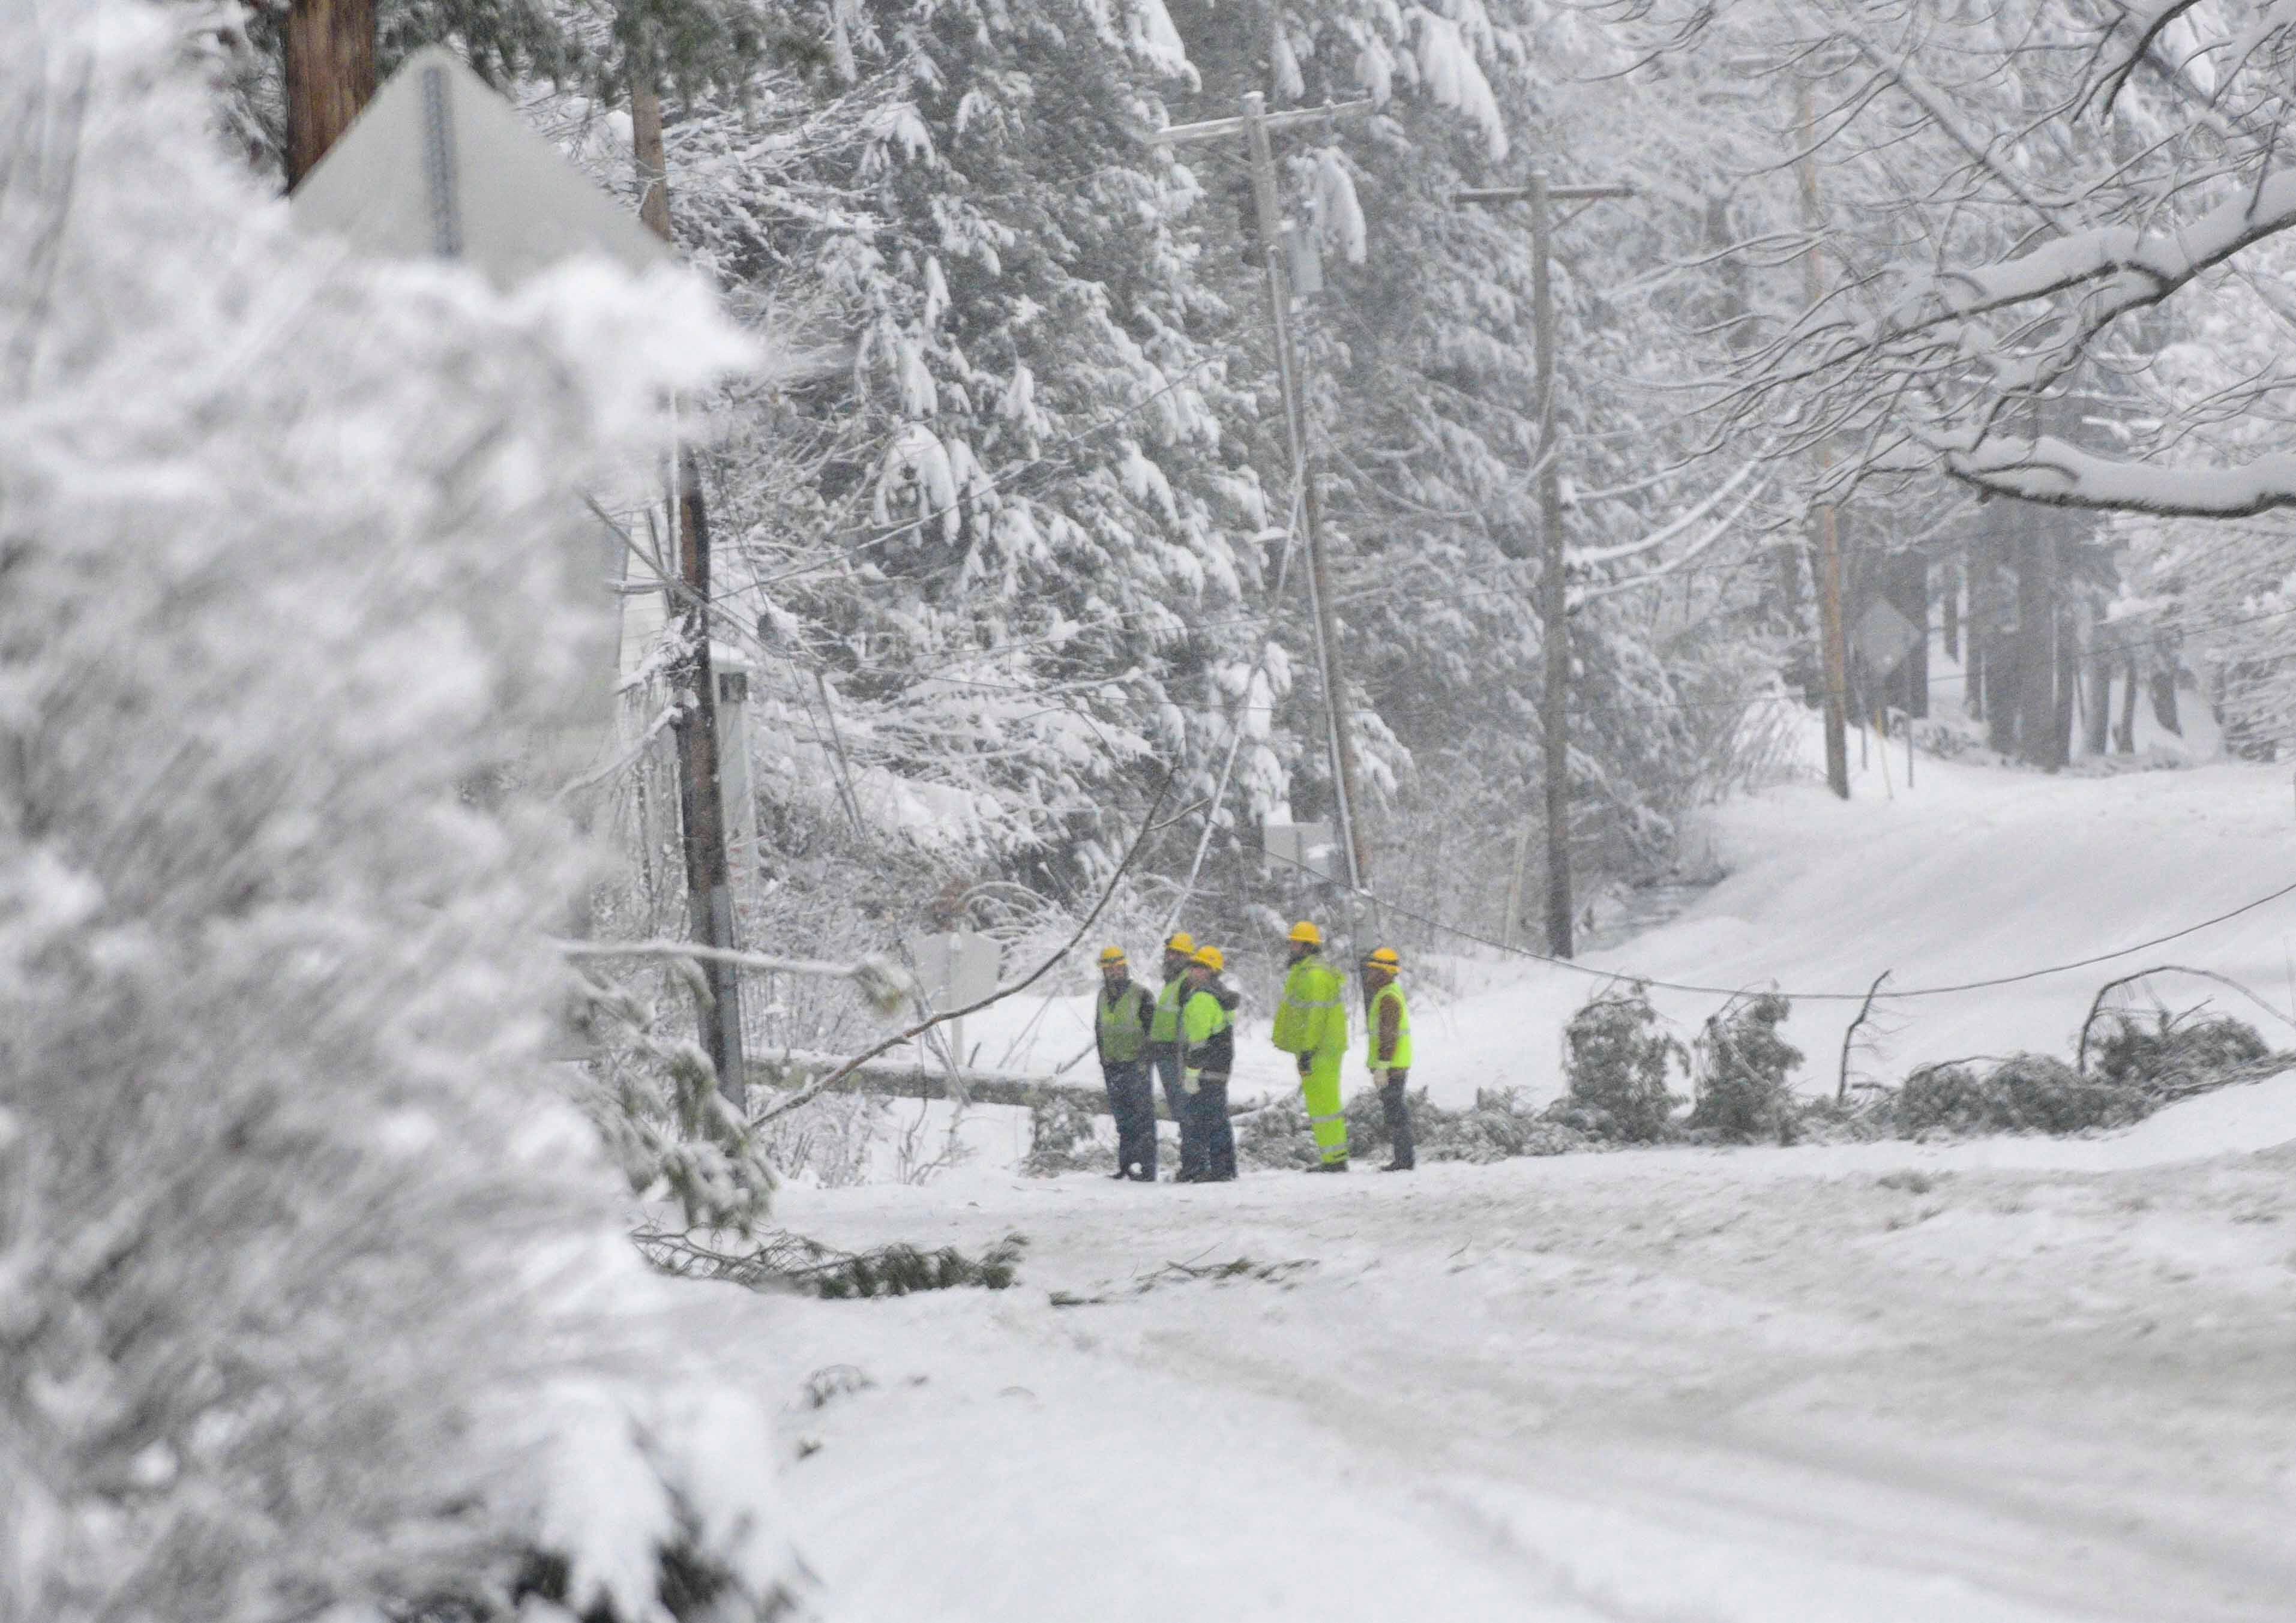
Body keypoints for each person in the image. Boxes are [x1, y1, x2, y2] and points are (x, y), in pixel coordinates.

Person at [1272, 920, 1350, 1171]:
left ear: (1306, 946)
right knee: (1322, 1103)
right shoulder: (1309, 972)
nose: (1291, 947)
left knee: (1324, 1103)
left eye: (1295, 943)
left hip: (1320, 1050)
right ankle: (1334, 1156)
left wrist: (1307, 1049)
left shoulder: (1314, 976)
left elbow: (1315, 1018)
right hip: (1321, 1048)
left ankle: (1335, 1159)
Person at [1093, 945, 1157, 1181]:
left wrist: (1144, 1061)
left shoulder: (1142, 994)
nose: (1114, 972)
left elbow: (1154, 1033)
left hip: (1135, 1065)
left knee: (1142, 1118)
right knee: (1123, 1119)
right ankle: (1126, 1165)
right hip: (1113, 1065)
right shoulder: (1102, 996)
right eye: (1109, 968)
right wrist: (1103, 1060)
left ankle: (1148, 1168)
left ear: (1125, 967)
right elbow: (1099, 1030)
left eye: (1118, 967)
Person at [1177, 945, 1238, 1183]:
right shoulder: (1220, 996)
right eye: (1193, 966)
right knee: (1217, 1119)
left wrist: (1191, 1074)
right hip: (1219, 1067)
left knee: (1200, 1121)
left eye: (1199, 967)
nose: (1192, 971)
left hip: (1205, 1069)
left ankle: (1205, 1169)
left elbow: (1198, 1043)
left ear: (1210, 971)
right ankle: (1223, 1167)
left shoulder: (1201, 998)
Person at [1360, 947, 1414, 1172]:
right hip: (1393, 1066)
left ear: (1384, 972)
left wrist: (1382, 1067)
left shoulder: (1388, 998)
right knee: (1395, 1112)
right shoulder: (1387, 994)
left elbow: (1388, 1035)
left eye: (1374, 971)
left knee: (1396, 1114)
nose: (1369, 976)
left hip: (1392, 1067)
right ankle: (1403, 1159)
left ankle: (1404, 1160)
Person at [1145, 931, 1198, 1133]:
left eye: (1177, 954)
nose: (1171, 958)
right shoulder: (1173, 981)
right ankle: (1191, 1157)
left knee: (1185, 1109)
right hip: (1165, 1054)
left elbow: (1188, 1023)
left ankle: (1194, 1158)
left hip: (1176, 1055)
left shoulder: (1186, 982)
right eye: (1169, 953)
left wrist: (1183, 1056)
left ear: (1186, 957)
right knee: (1179, 1108)